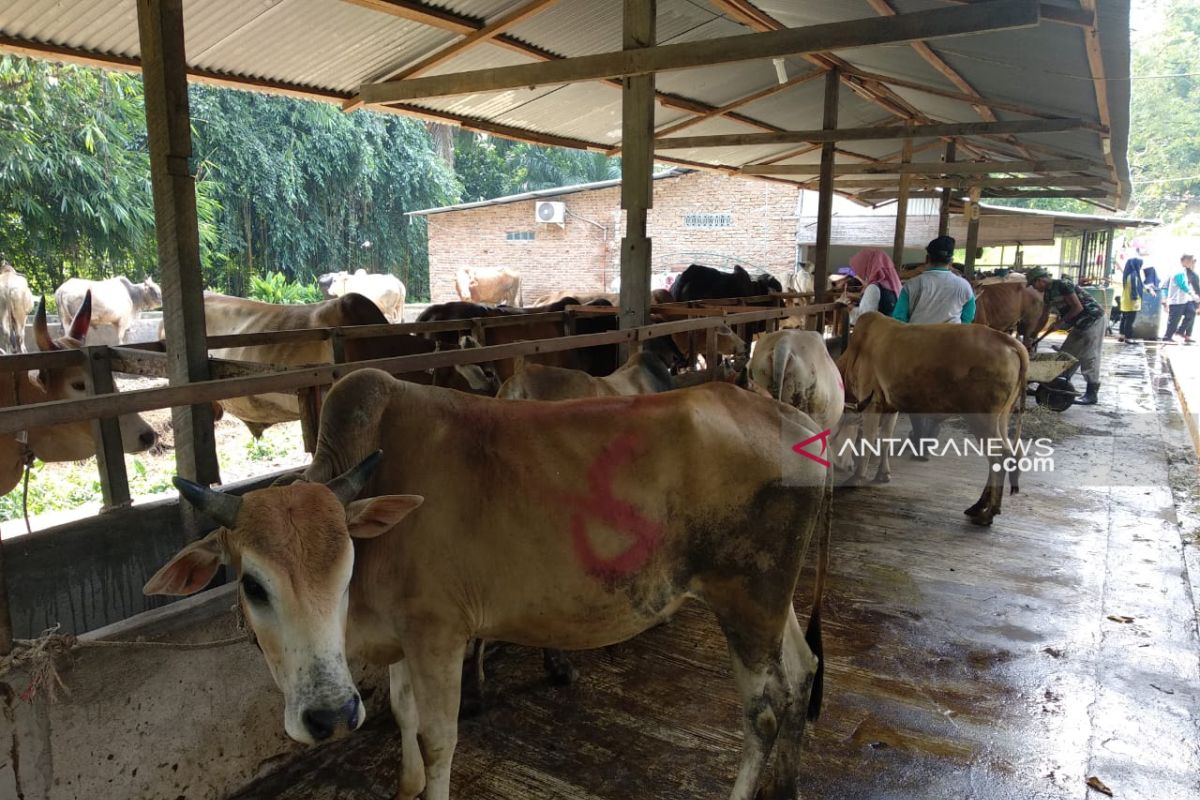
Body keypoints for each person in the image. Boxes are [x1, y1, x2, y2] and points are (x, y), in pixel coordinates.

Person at [1026, 267, 1105, 405]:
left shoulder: (1063, 285)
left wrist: (1061, 322)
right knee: (1067, 353)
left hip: (1093, 319)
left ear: (1039, 280)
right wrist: (1033, 336)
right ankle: (1056, 385)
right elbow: (1043, 317)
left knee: (1088, 355)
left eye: (1033, 284)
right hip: (1079, 323)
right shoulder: (1048, 294)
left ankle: (1091, 394)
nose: (1033, 288)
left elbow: (1077, 307)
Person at [892, 236, 976, 324]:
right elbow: (968, 318)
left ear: (927, 259)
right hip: (952, 336)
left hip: (918, 336)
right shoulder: (964, 286)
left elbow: (899, 318)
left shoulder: (911, 284)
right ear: (951, 262)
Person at [839, 248, 901, 324]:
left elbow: (864, 318)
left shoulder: (873, 288)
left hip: (877, 333)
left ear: (868, 266)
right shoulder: (893, 286)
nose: (859, 273)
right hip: (891, 331)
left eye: (860, 269)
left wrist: (848, 307)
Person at [1163, 254, 1199, 345]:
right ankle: (1167, 338)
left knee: (1191, 313)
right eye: (1191, 261)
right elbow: (1183, 284)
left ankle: (1179, 332)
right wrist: (1192, 294)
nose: (1192, 264)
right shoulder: (1178, 270)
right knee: (1173, 321)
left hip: (1184, 300)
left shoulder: (1184, 270)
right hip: (1176, 301)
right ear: (1186, 261)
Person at [1117, 257, 1143, 343]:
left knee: (1124, 318)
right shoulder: (1134, 275)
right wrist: (1135, 300)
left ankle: (1121, 335)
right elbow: (1134, 288)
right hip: (1132, 302)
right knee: (1130, 321)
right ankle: (1128, 338)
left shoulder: (1127, 274)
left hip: (1125, 300)